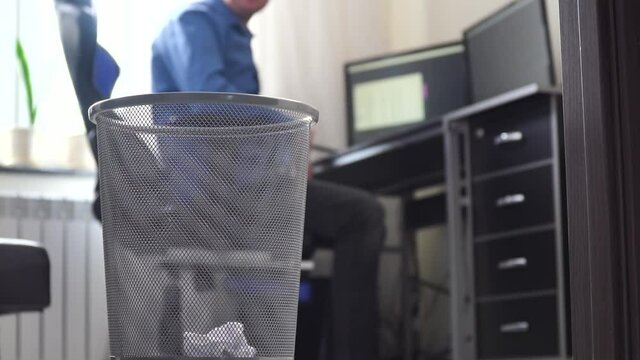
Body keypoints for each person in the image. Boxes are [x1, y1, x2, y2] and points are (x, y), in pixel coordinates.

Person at [151, 1, 385, 359]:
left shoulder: (227, 29)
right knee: (363, 215)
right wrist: (289, 126)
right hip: (214, 202)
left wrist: (285, 147)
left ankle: (272, 346)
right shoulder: (195, 22)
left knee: (307, 233)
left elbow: (240, 128)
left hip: (232, 196)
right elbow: (207, 98)